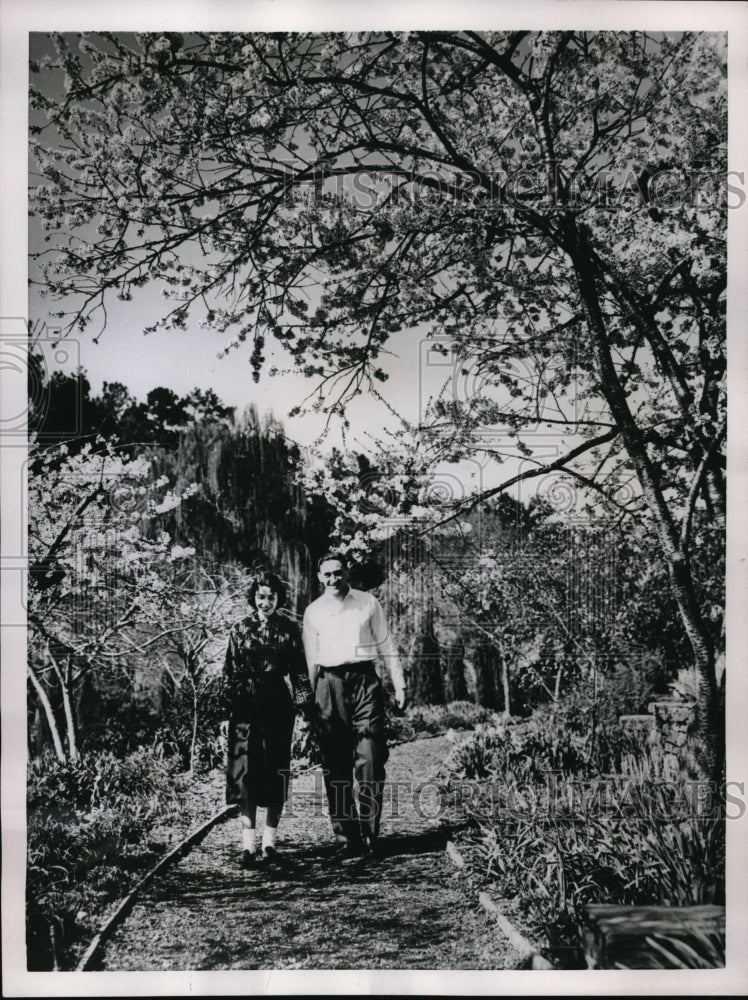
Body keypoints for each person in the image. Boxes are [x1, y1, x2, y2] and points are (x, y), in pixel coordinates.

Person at [302, 551, 406, 859]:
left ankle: (369, 833)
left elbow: (387, 644)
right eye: (327, 575)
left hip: (365, 682)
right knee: (335, 765)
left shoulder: (367, 602)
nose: (333, 579)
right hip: (328, 685)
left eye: (338, 572)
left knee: (371, 758)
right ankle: (347, 840)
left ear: (347, 572)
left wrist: (399, 684)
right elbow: (309, 659)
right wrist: (306, 702)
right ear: (320, 579)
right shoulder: (313, 611)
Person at [222, 571, 312, 869]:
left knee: (275, 769)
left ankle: (270, 842)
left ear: (278, 599)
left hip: (276, 702)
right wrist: (225, 712)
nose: (266, 602)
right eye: (261, 596)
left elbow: (299, 671)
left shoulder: (289, 629)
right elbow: (229, 672)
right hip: (245, 703)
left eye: (271, 597)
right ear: (254, 597)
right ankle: (248, 846)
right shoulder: (239, 628)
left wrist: (305, 710)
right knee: (246, 772)